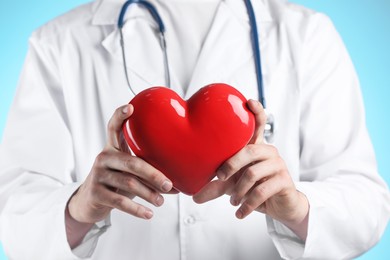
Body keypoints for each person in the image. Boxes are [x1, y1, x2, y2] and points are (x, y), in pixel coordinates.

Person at [0, 0, 389, 259]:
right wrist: (78, 208)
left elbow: (367, 203)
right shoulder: (59, 43)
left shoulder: (306, 35)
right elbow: (12, 210)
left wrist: (298, 207)